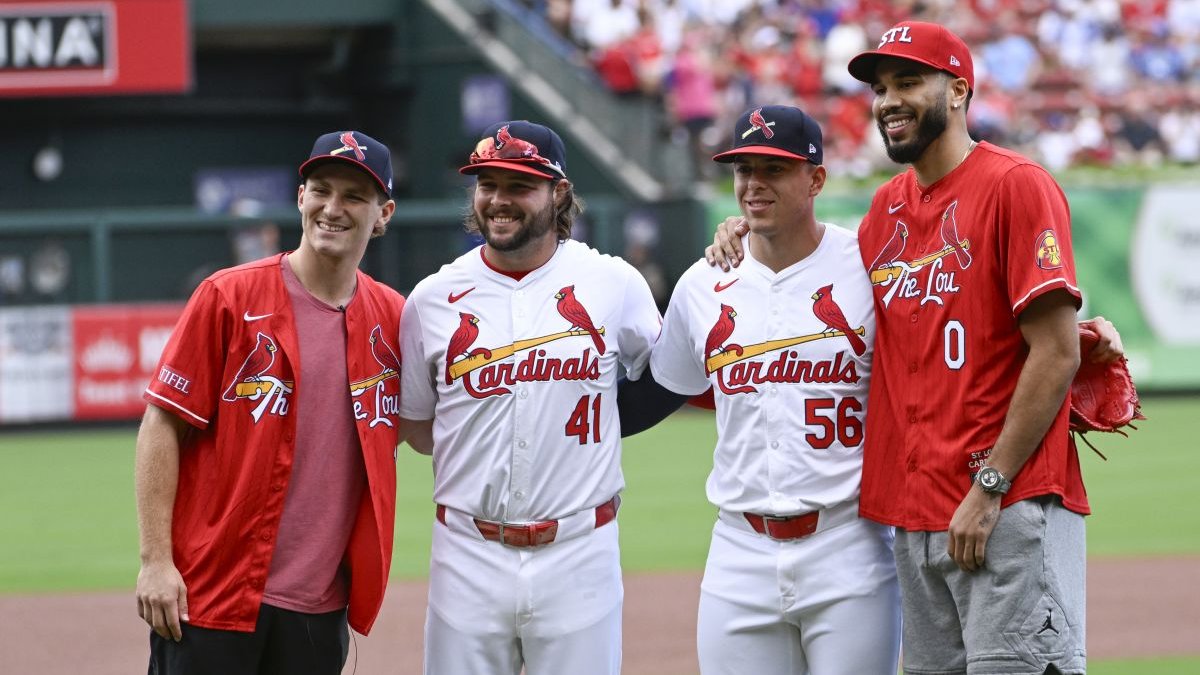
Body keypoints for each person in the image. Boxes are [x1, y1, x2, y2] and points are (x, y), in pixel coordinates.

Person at [706, 21, 1123, 675]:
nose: (888, 100)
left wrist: (989, 488)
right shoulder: (885, 211)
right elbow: (817, 266)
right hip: (918, 516)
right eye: (880, 87)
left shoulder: (1016, 184)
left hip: (1006, 505)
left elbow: (1056, 351)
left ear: (958, 90)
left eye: (908, 81)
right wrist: (748, 226)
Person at [134, 130, 405, 674]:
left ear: (383, 214)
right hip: (213, 595)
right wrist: (155, 561)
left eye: (354, 196)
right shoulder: (228, 295)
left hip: (319, 606)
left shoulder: (395, 318)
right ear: (301, 198)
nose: (333, 208)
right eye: (321, 190)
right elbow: (161, 424)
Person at [397, 121, 661, 675]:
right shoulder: (432, 299)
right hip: (466, 551)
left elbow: (660, 375)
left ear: (559, 192)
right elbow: (420, 427)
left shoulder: (614, 283)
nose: (499, 200)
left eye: (519, 184)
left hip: (579, 548)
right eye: (487, 183)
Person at [650, 105, 901, 674]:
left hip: (849, 544)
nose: (754, 184)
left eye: (774, 169)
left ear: (816, 179)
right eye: (743, 170)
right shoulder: (703, 283)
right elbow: (677, 387)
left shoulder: (866, 264)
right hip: (739, 549)